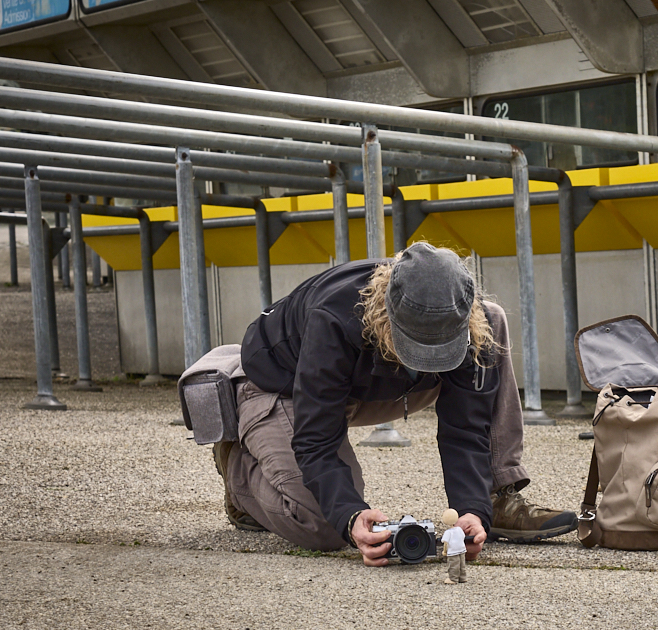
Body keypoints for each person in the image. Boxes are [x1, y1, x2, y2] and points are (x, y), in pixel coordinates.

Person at [212, 242, 576, 565]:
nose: (428, 359)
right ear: (387, 315)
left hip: (381, 381)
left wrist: (471, 508)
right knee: (322, 525)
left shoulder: (469, 318)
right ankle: (239, 467)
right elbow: (316, 442)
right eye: (419, 348)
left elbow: (464, 429)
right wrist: (351, 515)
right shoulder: (334, 321)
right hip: (282, 383)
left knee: (492, 320)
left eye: (440, 351)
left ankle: (495, 498)